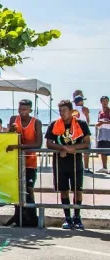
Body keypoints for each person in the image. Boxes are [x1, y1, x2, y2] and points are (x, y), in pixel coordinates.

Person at [46, 99, 91, 230]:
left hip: (76, 162)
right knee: (64, 190)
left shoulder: (81, 124)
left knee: (77, 190)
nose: (62, 113)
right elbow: (48, 143)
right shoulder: (54, 124)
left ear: (71, 111)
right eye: (60, 111)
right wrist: (63, 148)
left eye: (64, 111)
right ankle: (67, 217)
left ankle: (77, 217)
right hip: (60, 163)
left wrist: (73, 148)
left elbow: (86, 143)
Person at [6, 99, 43, 227]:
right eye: (20, 109)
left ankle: (32, 218)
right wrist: (10, 129)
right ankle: (18, 216)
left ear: (30, 110)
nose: (22, 112)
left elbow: (38, 144)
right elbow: (8, 137)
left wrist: (19, 147)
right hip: (15, 161)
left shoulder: (36, 122)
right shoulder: (13, 119)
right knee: (16, 190)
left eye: (25, 109)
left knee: (29, 189)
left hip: (30, 161)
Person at [72, 93, 92, 172]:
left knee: (75, 149)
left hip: (75, 131)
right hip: (84, 131)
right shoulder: (85, 109)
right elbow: (88, 121)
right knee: (86, 150)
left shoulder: (72, 110)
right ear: (81, 101)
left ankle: (75, 167)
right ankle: (86, 168)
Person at [96, 96, 110, 173]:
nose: (105, 102)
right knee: (103, 151)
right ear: (101, 102)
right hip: (101, 134)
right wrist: (98, 124)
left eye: (106, 101)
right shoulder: (100, 112)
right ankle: (104, 167)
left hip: (108, 133)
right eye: (104, 101)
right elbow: (98, 123)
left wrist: (103, 122)